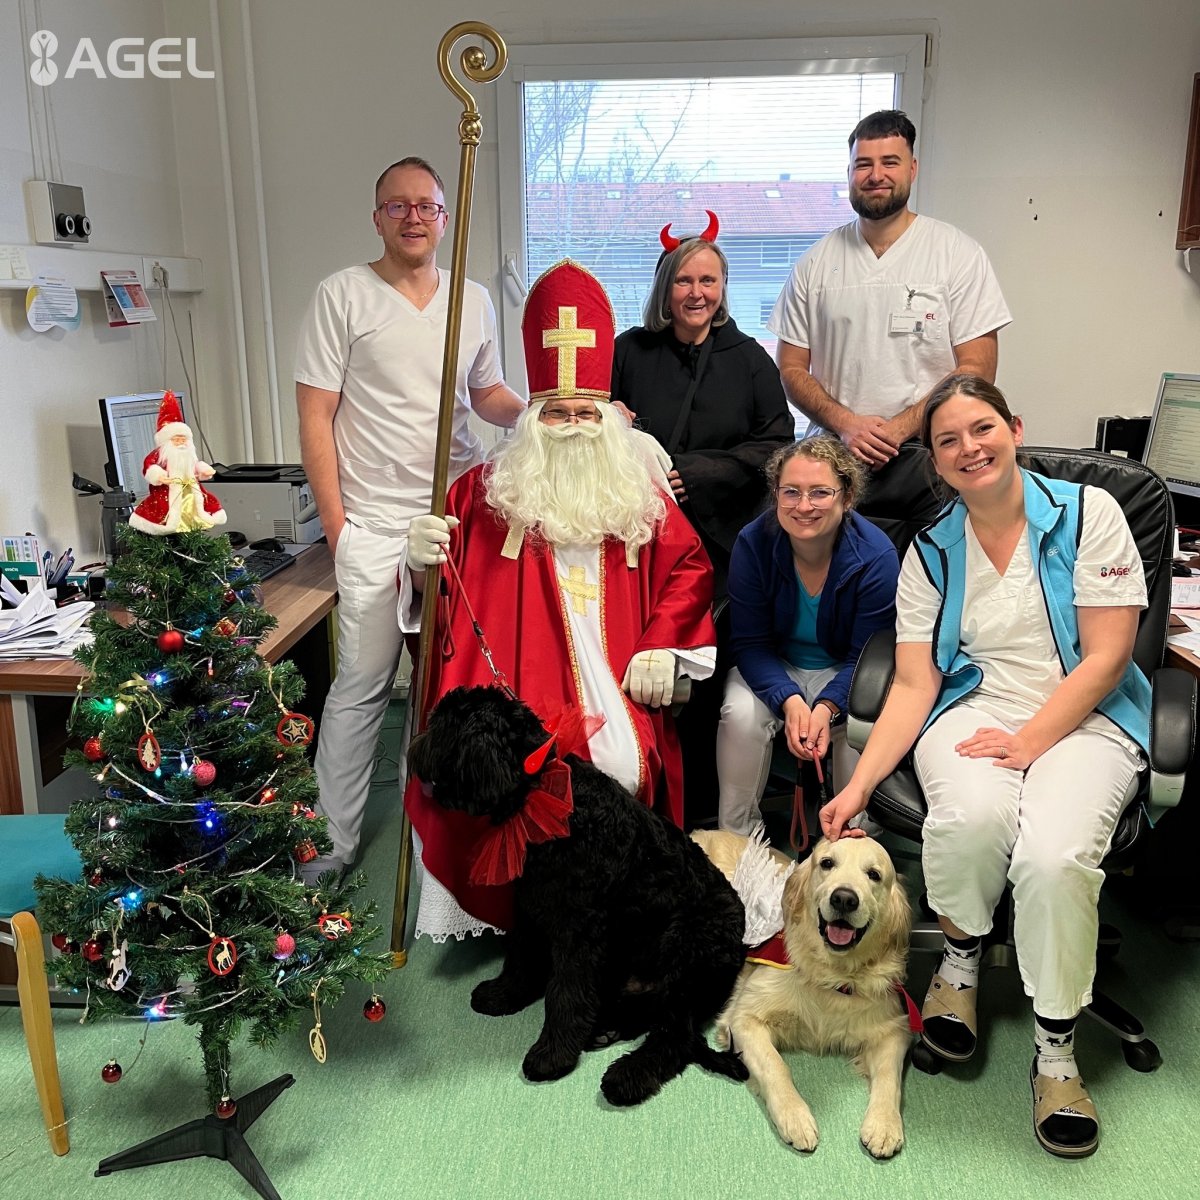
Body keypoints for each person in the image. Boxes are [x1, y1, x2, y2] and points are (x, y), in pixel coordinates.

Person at [820, 374, 1151, 1158]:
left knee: (1053, 857)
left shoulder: (1090, 514)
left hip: (1087, 716)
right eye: (948, 441)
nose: (969, 449)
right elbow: (914, 683)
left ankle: (1057, 1054)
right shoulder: (932, 549)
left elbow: (1107, 658)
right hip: (975, 708)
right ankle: (959, 966)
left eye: (982, 429)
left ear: (1014, 428)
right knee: (969, 819)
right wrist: (857, 784)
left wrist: (1031, 741)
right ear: (934, 461)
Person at [402, 259, 718, 939]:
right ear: (532, 418)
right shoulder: (483, 491)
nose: (571, 425)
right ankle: (520, 919)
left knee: (619, 770)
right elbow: (446, 602)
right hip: (515, 679)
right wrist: (421, 567)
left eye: (584, 413)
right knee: (501, 774)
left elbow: (689, 568)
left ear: (607, 419)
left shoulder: (638, 490)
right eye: (556, 413)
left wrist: (664, 643)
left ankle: (609, 911)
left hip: (617, 666)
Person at [294, 156, 525, 880]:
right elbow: (315, 417)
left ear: (445, 219)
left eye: (426, 206)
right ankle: (331, 843)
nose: (413, 217)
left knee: (446, 683)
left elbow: (486, 395)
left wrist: (546, 411)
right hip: (372, 522)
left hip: (454, 519)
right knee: (361, 687)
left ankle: (434, 835)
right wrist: (339, 530)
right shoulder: (342, 295)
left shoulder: (472, 300)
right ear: (377, 218)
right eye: (398, 206)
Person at [769, 110, 1011, 470]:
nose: (875, 175)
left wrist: (899, 428)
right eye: (863, 164)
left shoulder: (957, 254)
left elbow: (977, 368)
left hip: (932, 454)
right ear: (849, 172)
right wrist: (847, 425)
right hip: (837, 455)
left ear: (912, 169)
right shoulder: (814, 264)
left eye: (890, 162)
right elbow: (791, 368)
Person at [717, 437, 898, 835]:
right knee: (740, 715)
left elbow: (867, 658)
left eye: (819, 492)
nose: (803, 506)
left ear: (846, 497)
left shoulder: (876, 556)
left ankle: (850, 837)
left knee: (859, 726)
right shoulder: (753, 542)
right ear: (776, 494)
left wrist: (827, 706)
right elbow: (750, 644)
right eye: (791, 492)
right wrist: (789, 699)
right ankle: (736, 839)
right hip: (774, 664)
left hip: (845, 670)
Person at [611, 215, 794, 587]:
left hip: (723, 538)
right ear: (664, 288)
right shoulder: (628, 350)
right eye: (683, 281)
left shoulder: (750, 359)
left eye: (708, 281)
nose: (697, 293)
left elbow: (777, 445)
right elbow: (588, 425)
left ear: (722, 286)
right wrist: (607, 413)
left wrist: (701, 472)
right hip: (637, 531)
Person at [128, 391, 227, 534]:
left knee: (200, 504)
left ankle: (190, 524)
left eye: (183, 439)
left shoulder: (188, 454)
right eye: (176, 440)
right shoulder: (160, 455)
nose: (181, 443)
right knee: (162, 510)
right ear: (167, 440)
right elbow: (150, 467)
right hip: (167, 492)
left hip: (190, 490)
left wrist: (203, 470)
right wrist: (159, 476)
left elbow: (195, 465)